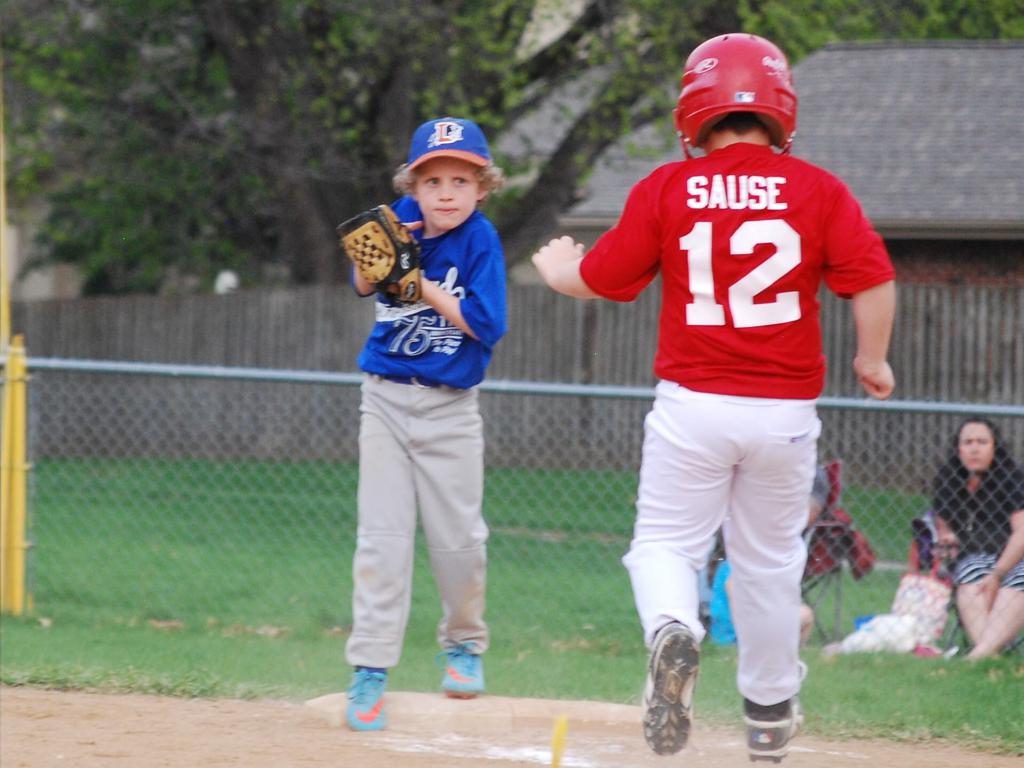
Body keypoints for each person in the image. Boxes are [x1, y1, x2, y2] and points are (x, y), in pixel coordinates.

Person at [531, 33, 896, 763]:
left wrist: (558, 266)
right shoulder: (819, 189)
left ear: (694, 110)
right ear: (780, 108)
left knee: (666, 545)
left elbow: (603, 278)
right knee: (768, 565)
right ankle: (768, 714)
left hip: (693, 406)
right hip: (783, 415)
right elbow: (873, 277)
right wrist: (872, 357)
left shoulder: (669, 188)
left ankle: (673, 627)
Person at [343, 117, 508, 731]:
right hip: (385, 400)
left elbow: (486, 325)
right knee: (381, 540)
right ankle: (370, 668)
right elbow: (364, 283)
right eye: (432, 180)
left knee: (457, 541)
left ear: (482, 188)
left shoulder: (481, 241)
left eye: (460, 181)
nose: (445, 193)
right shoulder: (401, 217)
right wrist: (380, 255)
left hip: (450, 410)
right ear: (413, 184)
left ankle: (463, 644)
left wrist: (423, 286)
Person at [932, 418, 1024, 659]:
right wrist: (947, 536)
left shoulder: (1013, 479)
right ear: (958, 449)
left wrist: (997, 574)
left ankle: (977, 655)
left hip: (1015, 556)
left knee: (1019, 579)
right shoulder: (949, 481)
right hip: (973, 556)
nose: (974, 449)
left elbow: (1022, 533)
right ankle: (988, 655)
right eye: (968, 442)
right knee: (971, 574)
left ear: (995, 447)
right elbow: (943, 527)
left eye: (982, 442)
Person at [709, 465, 829, 646]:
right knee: (805, 614)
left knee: (801, 613)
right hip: (737, 634)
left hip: (739, 629)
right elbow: (732, 588)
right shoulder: (743, 559)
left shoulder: (745, 556)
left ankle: (789, 651)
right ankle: (785, 651)